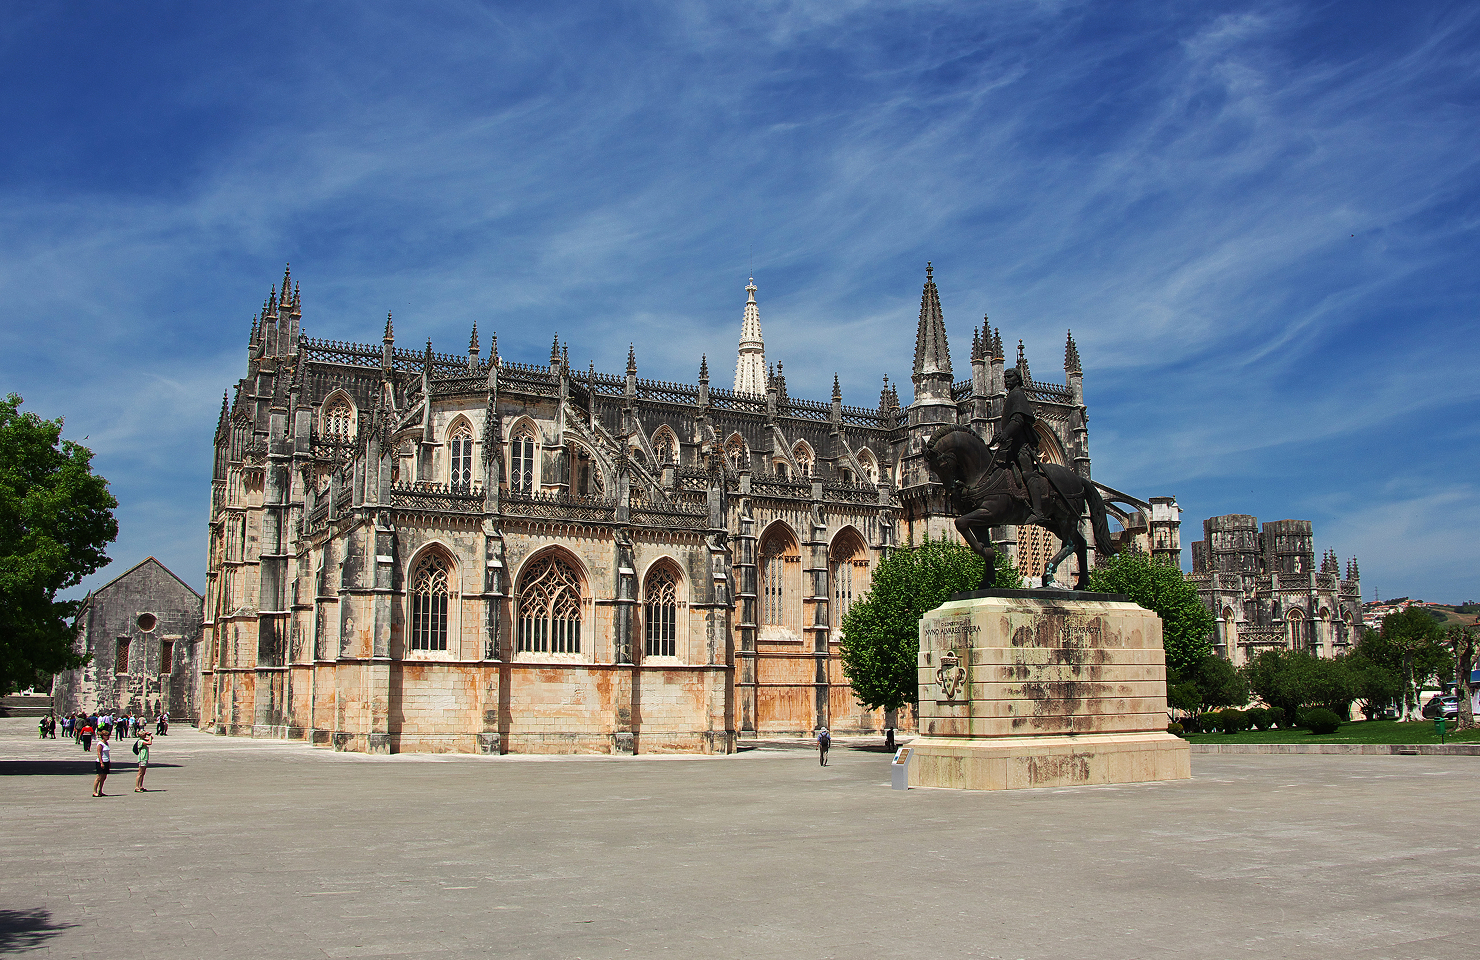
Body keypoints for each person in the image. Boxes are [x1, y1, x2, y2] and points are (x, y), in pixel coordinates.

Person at [992, 367, 1052, 526]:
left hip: (1021, 446)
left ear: (1018, 378)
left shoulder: (1018, 395)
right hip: (1010, 444)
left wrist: (1004, 434)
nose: (1006, 380)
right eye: (1005, 377)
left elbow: (1018, 420)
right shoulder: (1011, 396)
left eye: (1010, 377)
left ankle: (1038, 511)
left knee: (1028, 473)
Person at [92, 728, 112, 797]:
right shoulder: (100, 744)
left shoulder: (106, 743)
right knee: (99, 777)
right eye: (107, 736)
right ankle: (95, 791)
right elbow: (99, 753)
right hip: (101, 761)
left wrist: (109, 762)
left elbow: (107, 754)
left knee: (104, 777)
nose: (108, 737)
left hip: (106, 761)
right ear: (103, 736)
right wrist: (101, 762)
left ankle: (100, 791)